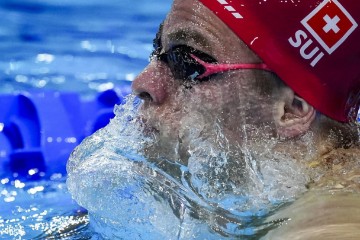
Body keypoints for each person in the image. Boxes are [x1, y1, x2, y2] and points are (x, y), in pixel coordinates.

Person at [131, 0, 360, 238]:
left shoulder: (333, 219)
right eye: (157, 50)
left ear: (291, 110)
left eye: (187, 63)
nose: (142, 84)